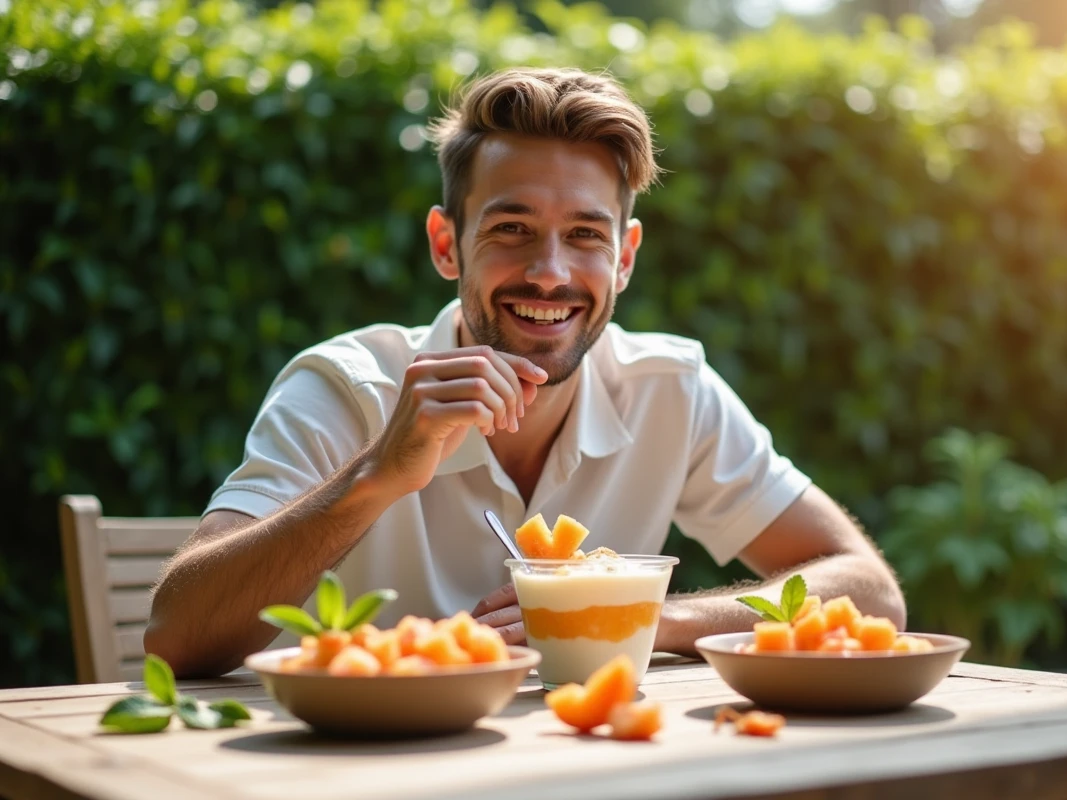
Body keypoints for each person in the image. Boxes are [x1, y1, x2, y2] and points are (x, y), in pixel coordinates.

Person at [144, 67, 905, 678]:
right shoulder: (348, 385)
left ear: (625, 257)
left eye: (584, 236)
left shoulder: (669, 390)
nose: (550, 273)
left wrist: (644, 619)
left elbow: (866, 588)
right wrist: (376, 474)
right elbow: (175, 637)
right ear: (447, 244)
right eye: (512, 229)